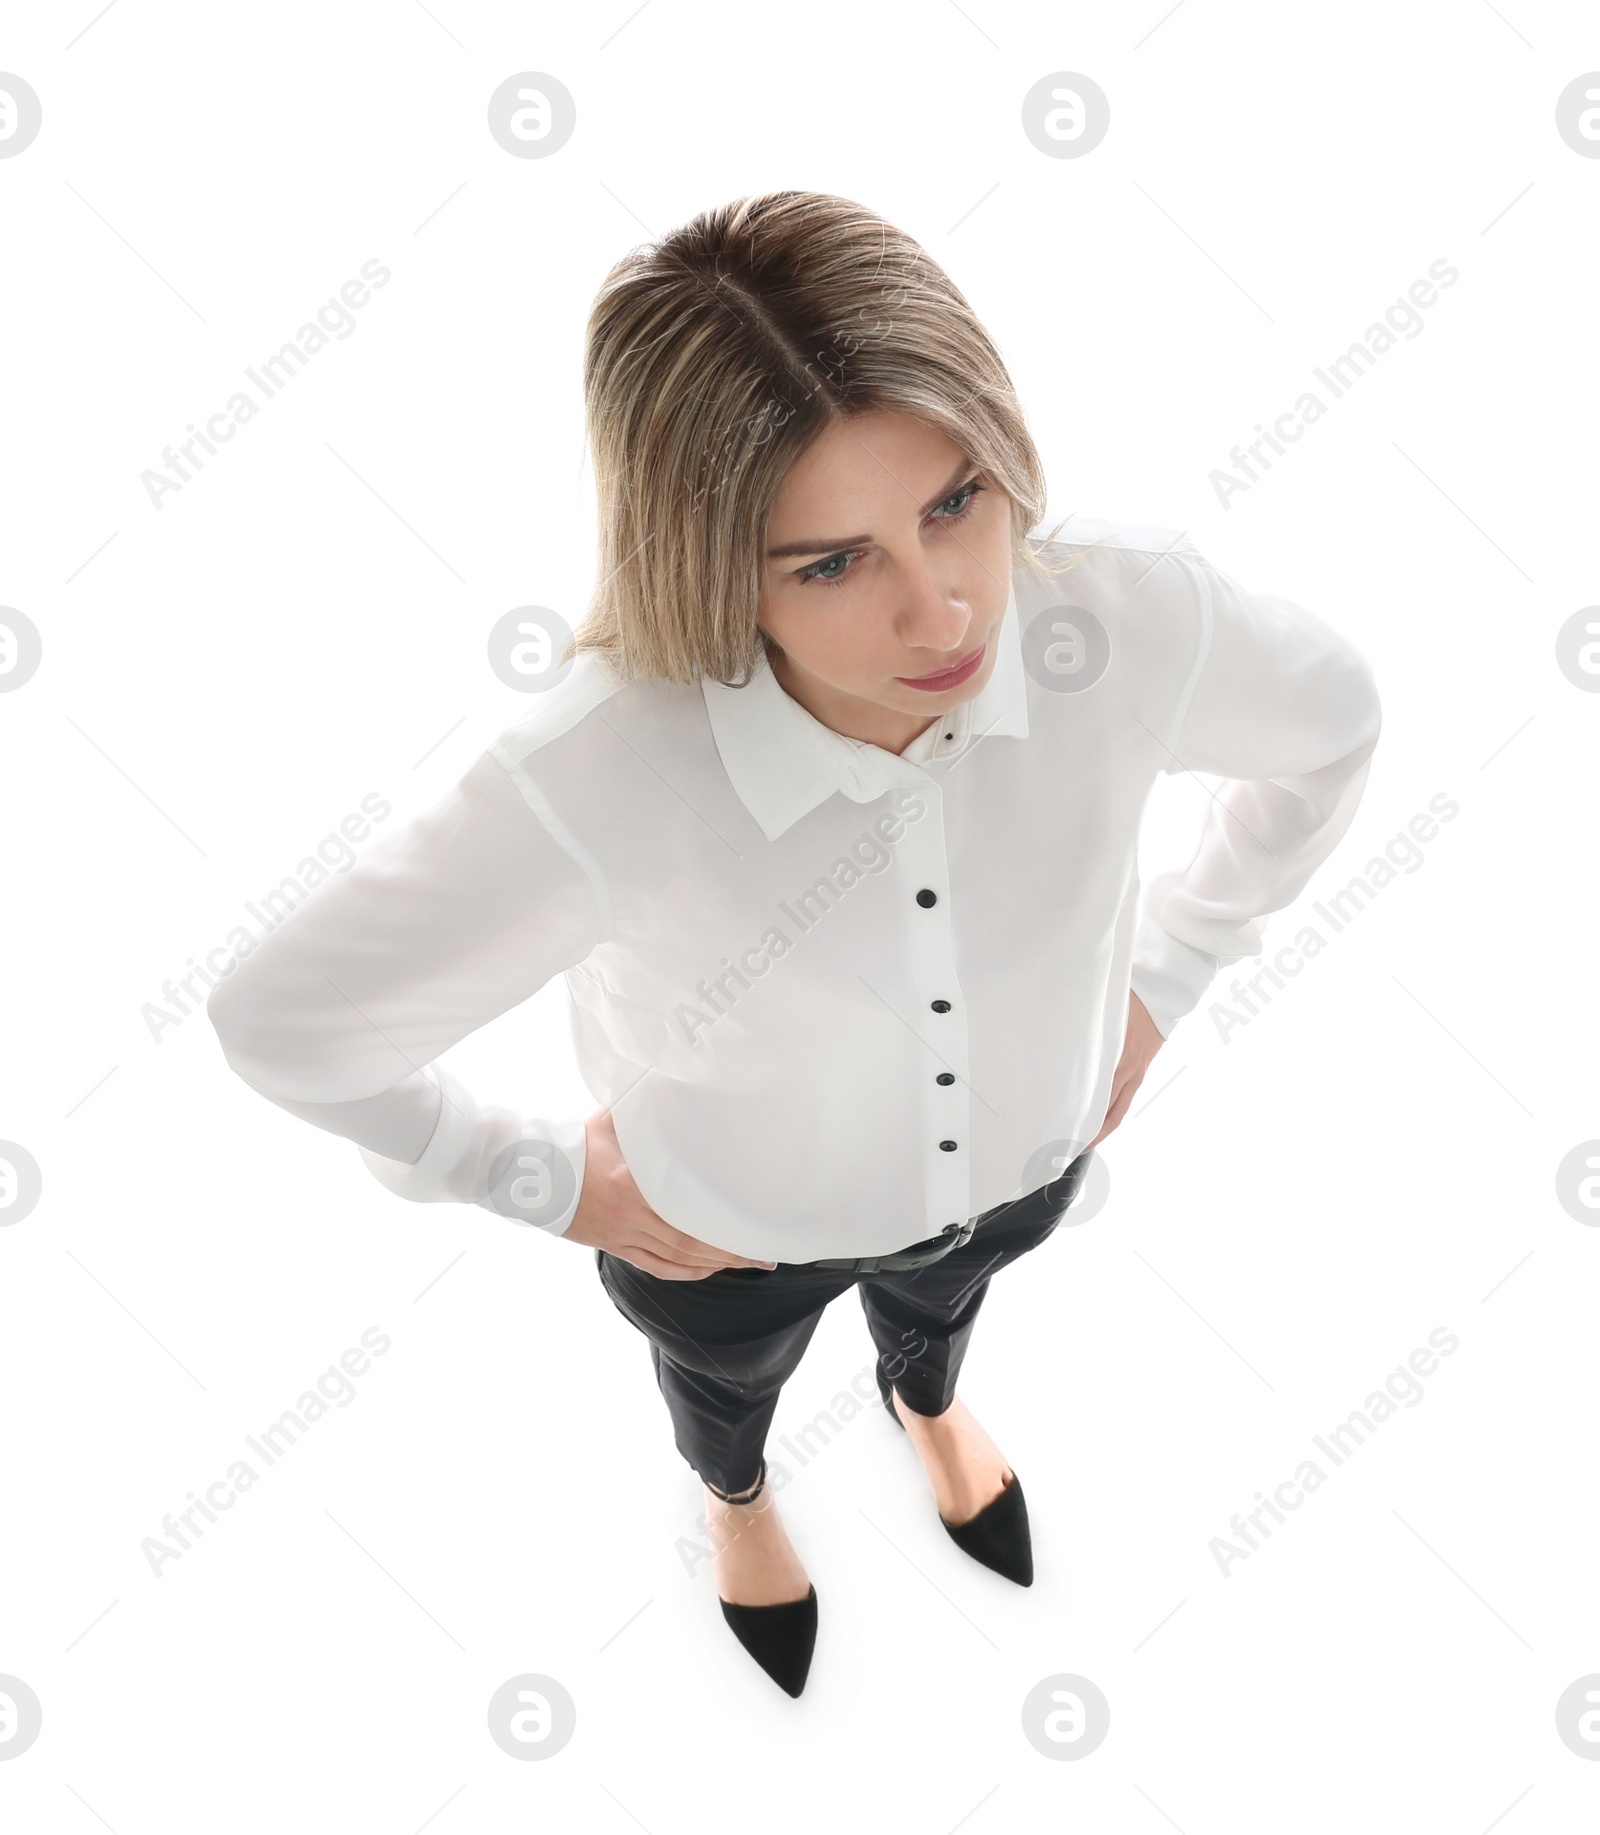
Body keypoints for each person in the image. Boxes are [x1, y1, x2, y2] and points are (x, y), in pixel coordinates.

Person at [205, 190, 1382, 1698]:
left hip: (1022, 1169)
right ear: (710, 559)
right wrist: (542, 1176)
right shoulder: (601, 772)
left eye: (956, 500)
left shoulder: (1130, 624)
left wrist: (1175, 970)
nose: (944, 603)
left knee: (948, 1304)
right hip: (725, 1234)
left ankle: (929, 1403)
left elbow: (1334, 726)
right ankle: (738, 1500)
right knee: (724, 1388)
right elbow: (285, 1020)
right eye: (831, 564)